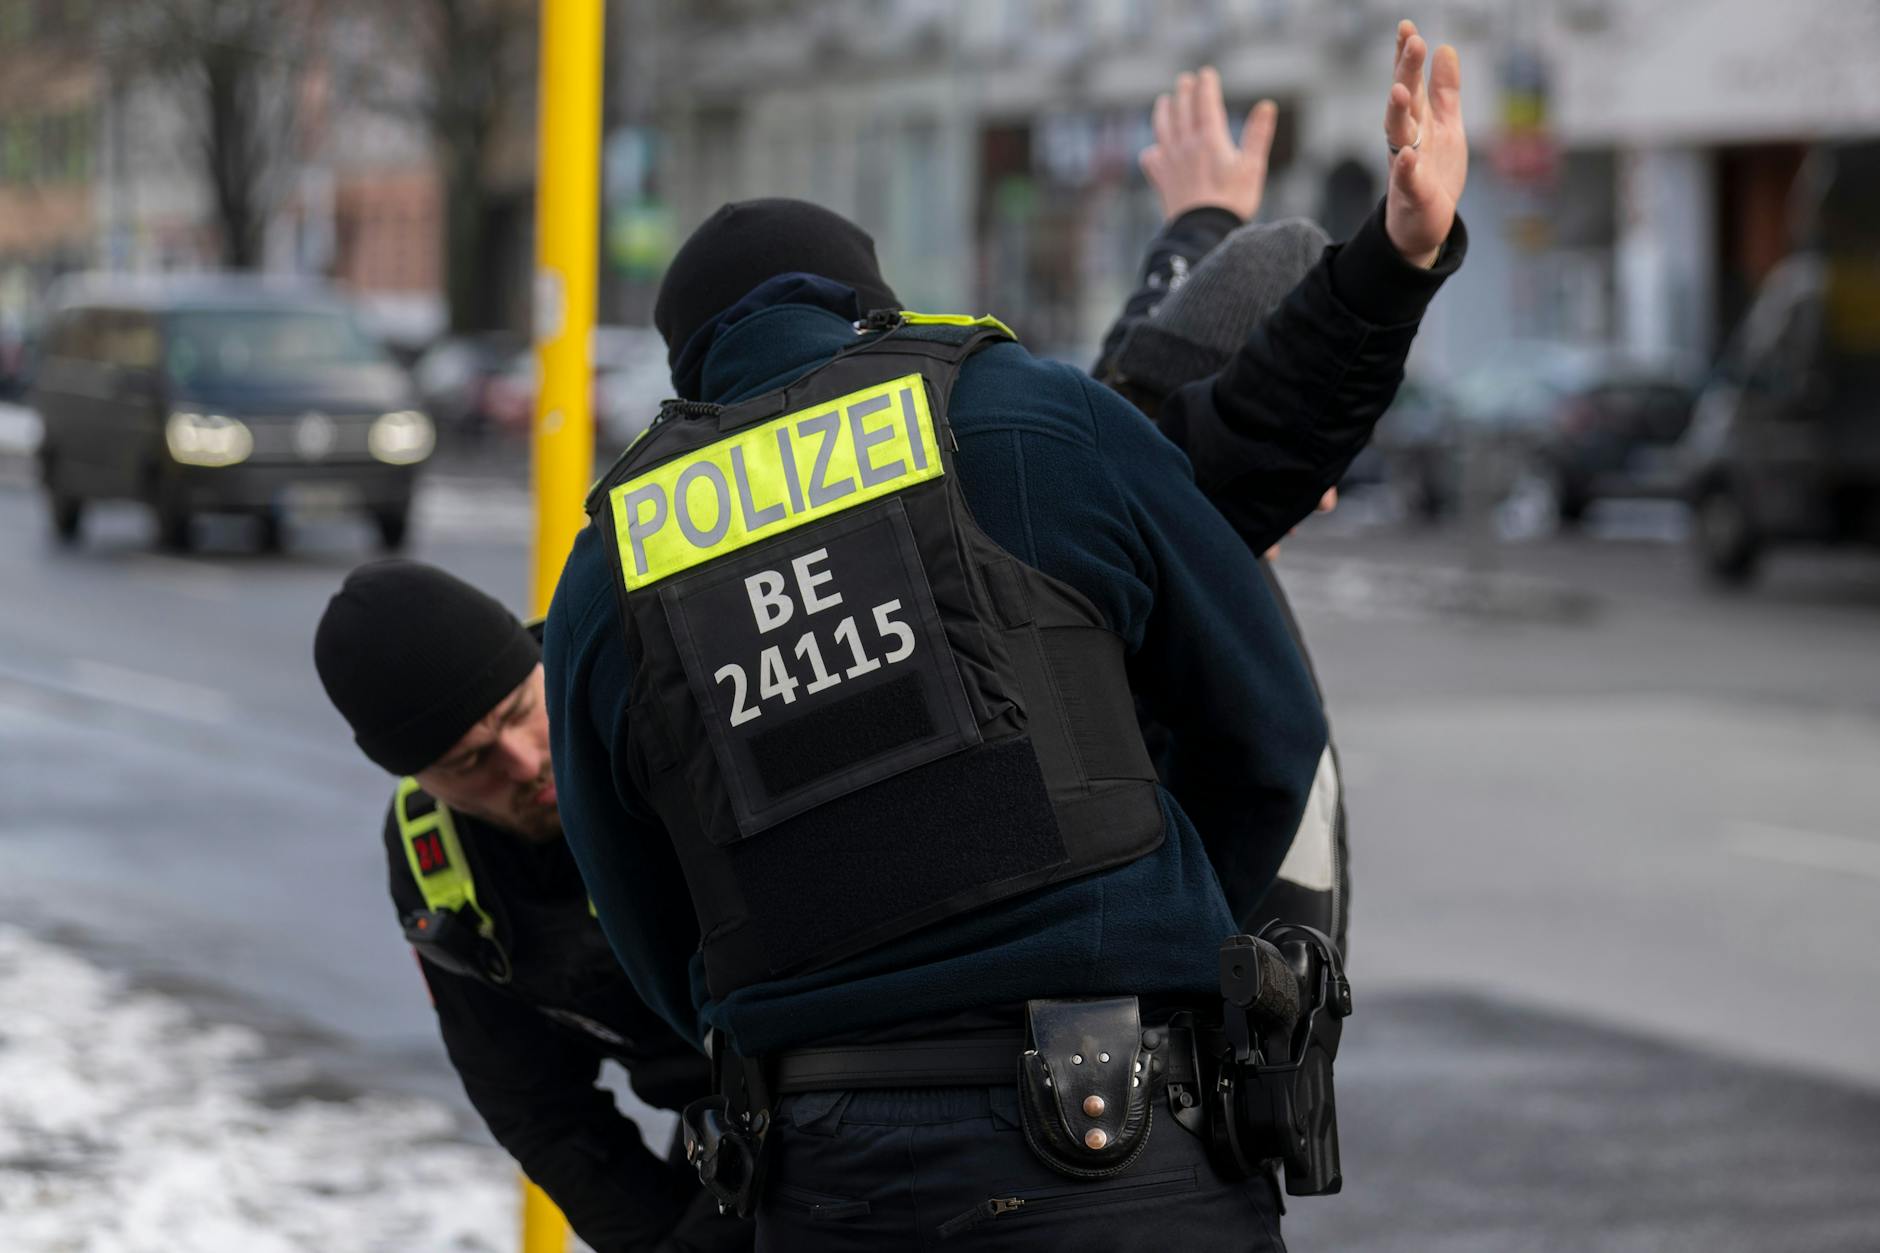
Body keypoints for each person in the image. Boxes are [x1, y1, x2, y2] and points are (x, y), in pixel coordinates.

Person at [546, 20, 1467, 1250]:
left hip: (826, 1179)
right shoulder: (1011, 414)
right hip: (1118, 1144)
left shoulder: (613, 564)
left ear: (692, 373)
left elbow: (648, 925)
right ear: (868, 310)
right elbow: (1269, 726)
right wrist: (1167, 921)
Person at [312, 560, 747, 1253]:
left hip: (856, 1065)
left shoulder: (663, 711)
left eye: (519, 713)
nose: (520, 763)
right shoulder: (438, 867)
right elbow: (539, 1108)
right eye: (469, 761)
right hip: (723, 1122)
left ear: (539, 663)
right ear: (420, 779)